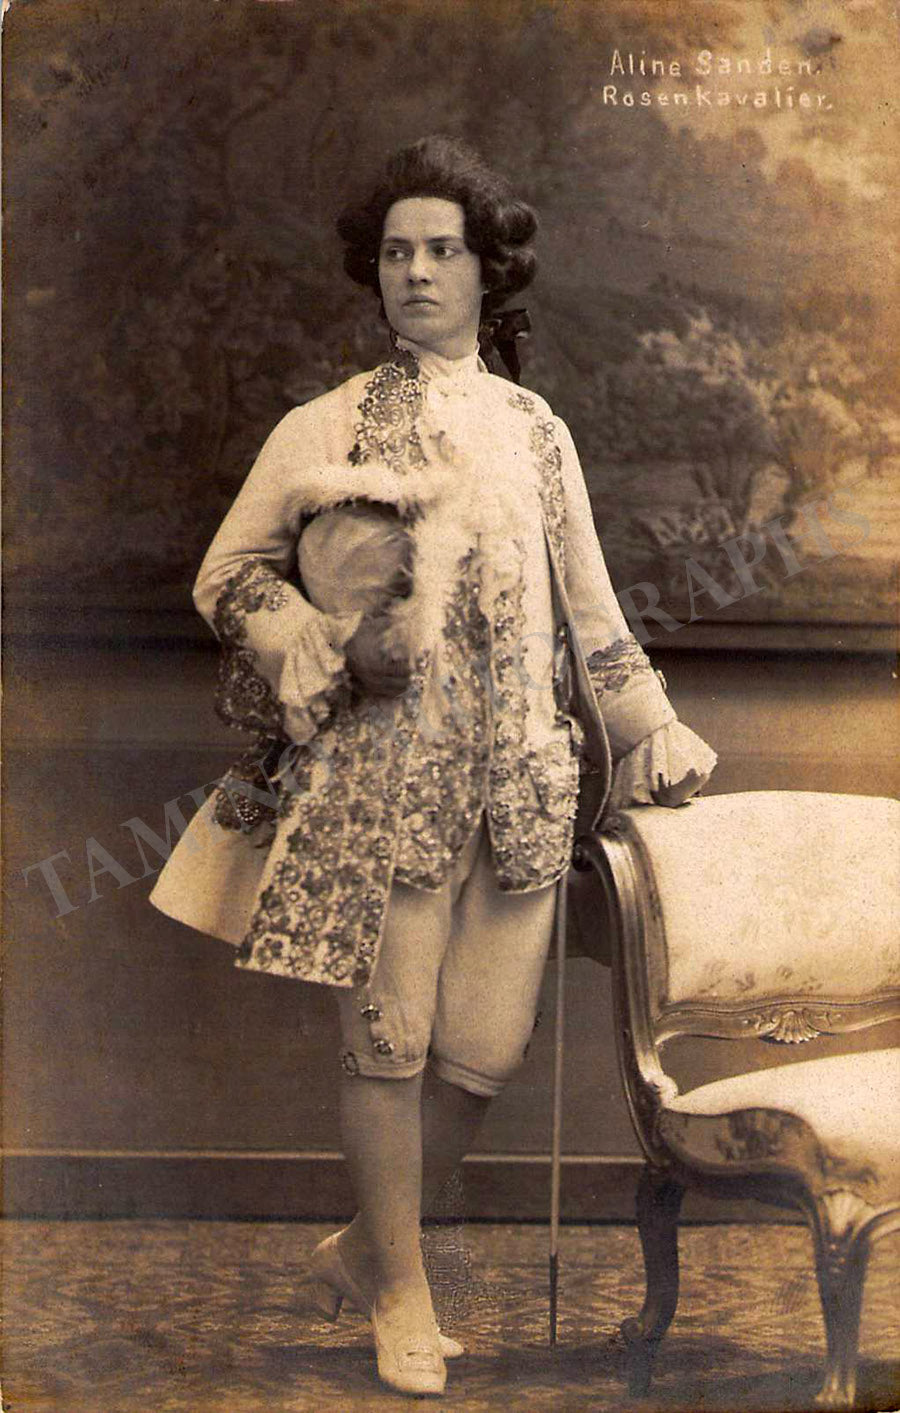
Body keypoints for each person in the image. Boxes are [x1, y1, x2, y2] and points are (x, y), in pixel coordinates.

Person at [151, 135, 716, 1397]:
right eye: (397, 252)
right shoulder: (324, 426)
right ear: (376, 270)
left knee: (484, 1055)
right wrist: (315, 638)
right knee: (388, 1044)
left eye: (442, 251)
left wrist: (652, 727)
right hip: (376, 786)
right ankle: (401, 1291)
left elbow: (593, 613)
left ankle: (367, 1248)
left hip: (522, 784)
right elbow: (228, 574)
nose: (416, 271)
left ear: (484, 271)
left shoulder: (536, 432)